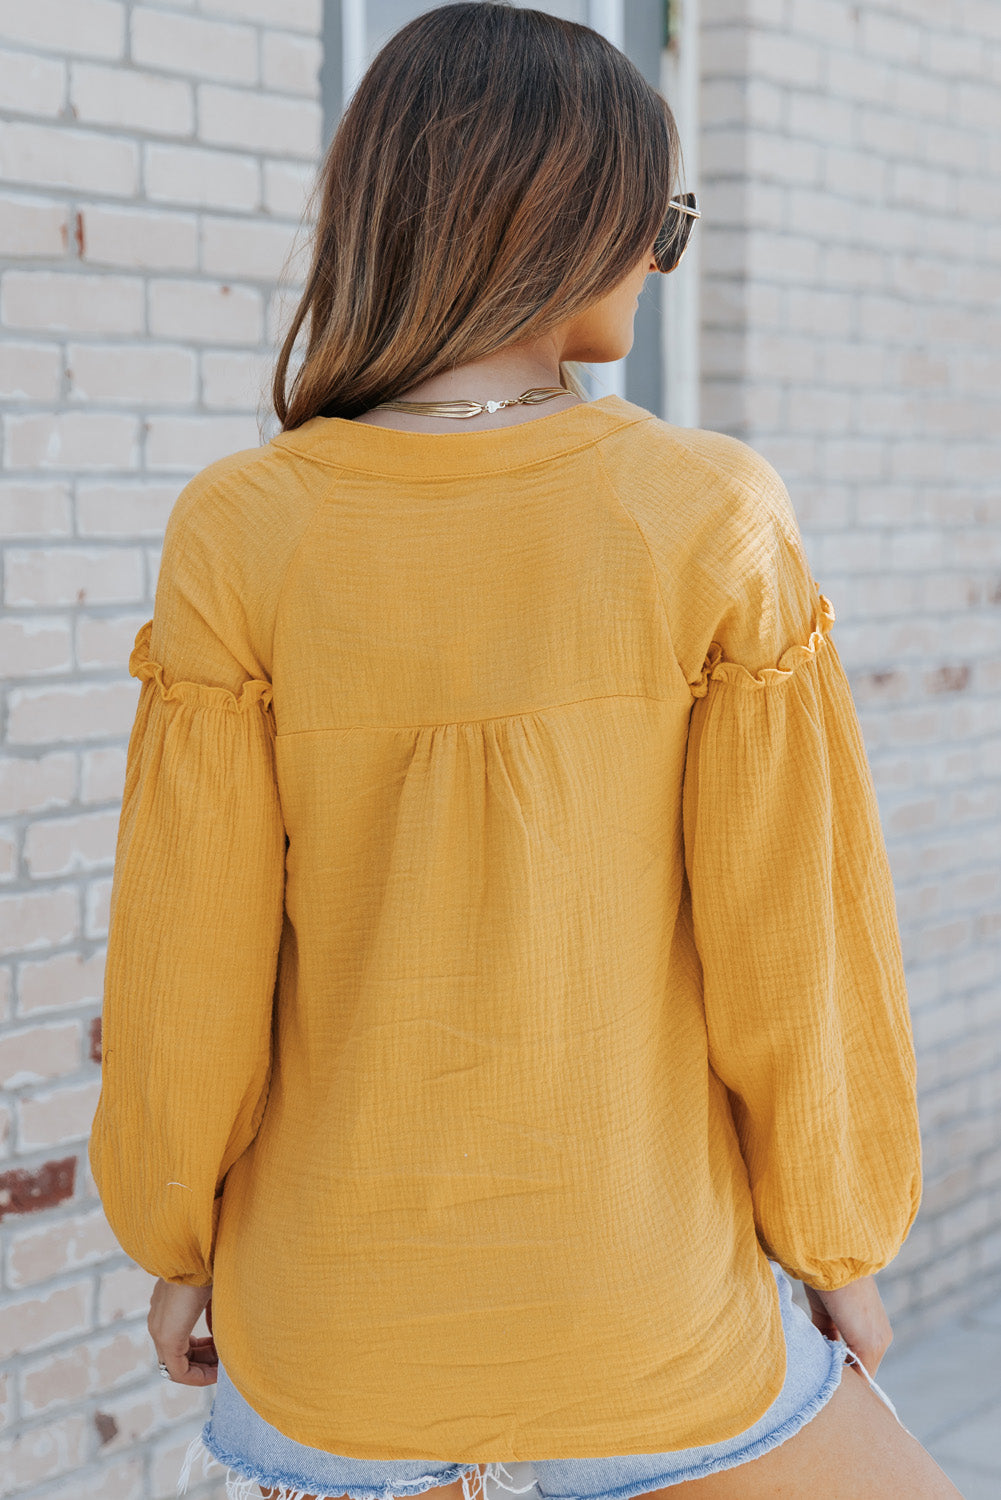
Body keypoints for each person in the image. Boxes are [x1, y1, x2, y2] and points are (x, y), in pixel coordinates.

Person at [87, 5, 962, 1499]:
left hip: (327, 1332)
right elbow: (793, 958)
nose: (656, 257)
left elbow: (188, 970)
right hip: (645, 1320)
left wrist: (175, 1245)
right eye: (660, 219)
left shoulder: (240, 530)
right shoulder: (708, 516)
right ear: (571, 221)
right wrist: (837, 1248)